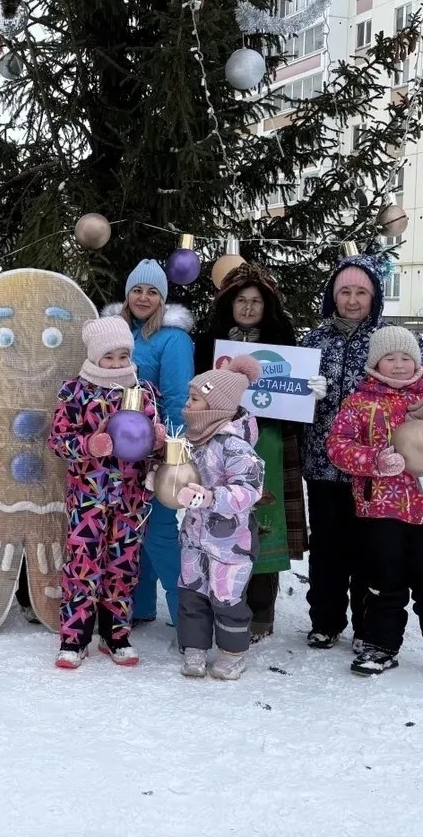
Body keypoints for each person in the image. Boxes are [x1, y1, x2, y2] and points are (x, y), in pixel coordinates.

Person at [300, 255, 423, 650]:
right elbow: (278, 395)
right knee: (326, 548)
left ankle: (367, 628)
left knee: (368, 551)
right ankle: (325, 621)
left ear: (374, 297)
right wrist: (302, 396)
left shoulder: (392, 339)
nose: (353, 300)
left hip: (382, 474)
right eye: (345, 292)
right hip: (324, 463)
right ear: (333, 296)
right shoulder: (312, 341)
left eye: (361, 292)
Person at [327, 327, 423, 685]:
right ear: (375, 362)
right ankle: (380, 646)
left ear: (417, 362)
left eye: (405, 357)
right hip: (380, 510)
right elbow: (338, 446)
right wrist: (374, 460)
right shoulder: (359, 403)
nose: (397, 364)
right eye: (389, 357)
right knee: (382, 581)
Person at [192, 263, 323, 642]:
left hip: (272, 444)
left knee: (267, 525)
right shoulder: (209, 346)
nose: (248, 308)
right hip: (219, 444)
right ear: (228, 305)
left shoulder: (285, 344)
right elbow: (196, 395)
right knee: (220, 523)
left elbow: (295, 404)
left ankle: (262, 609)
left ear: (266, 306)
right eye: (241, 301)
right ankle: (223, 603)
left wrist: (306, 395)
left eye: (255, 302)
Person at [47, 317, 163, 669]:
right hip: (88, 498)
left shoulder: (143, 392)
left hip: (131, 497)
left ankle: (116, 635)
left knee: (123, 566)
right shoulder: (75, 391)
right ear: (94, 358)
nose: (116, 363)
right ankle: (74, 638)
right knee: (82, 566)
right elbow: (57, 440)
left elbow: (156, 436)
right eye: (108, 357)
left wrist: (157, 441)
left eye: (122, 355)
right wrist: (87, 444)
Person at [102, 260, 194, 628]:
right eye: (137, 290)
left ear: (163, 298)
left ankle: (187, 616)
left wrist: (168, 453)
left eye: (152, 291)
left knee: (159, 532)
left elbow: (175, 398)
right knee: (131, 534)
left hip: (155, 451)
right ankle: (139, 607)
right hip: (116, 454)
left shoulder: (173, 339)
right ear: (127, 294)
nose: (143, 297)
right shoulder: (116, 333)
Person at [173, 356, 265, 681]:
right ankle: (195, 648)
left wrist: (210, 497)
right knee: (192, 591)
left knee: (227, 596)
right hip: (194, 536)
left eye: (195, 399)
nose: (187, 404)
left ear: (214, 406)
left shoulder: (236, 446)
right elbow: (176, 474)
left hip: (231, 543)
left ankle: (233, 652)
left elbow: (248, 489)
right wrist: (162, 476)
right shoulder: (192, 440)